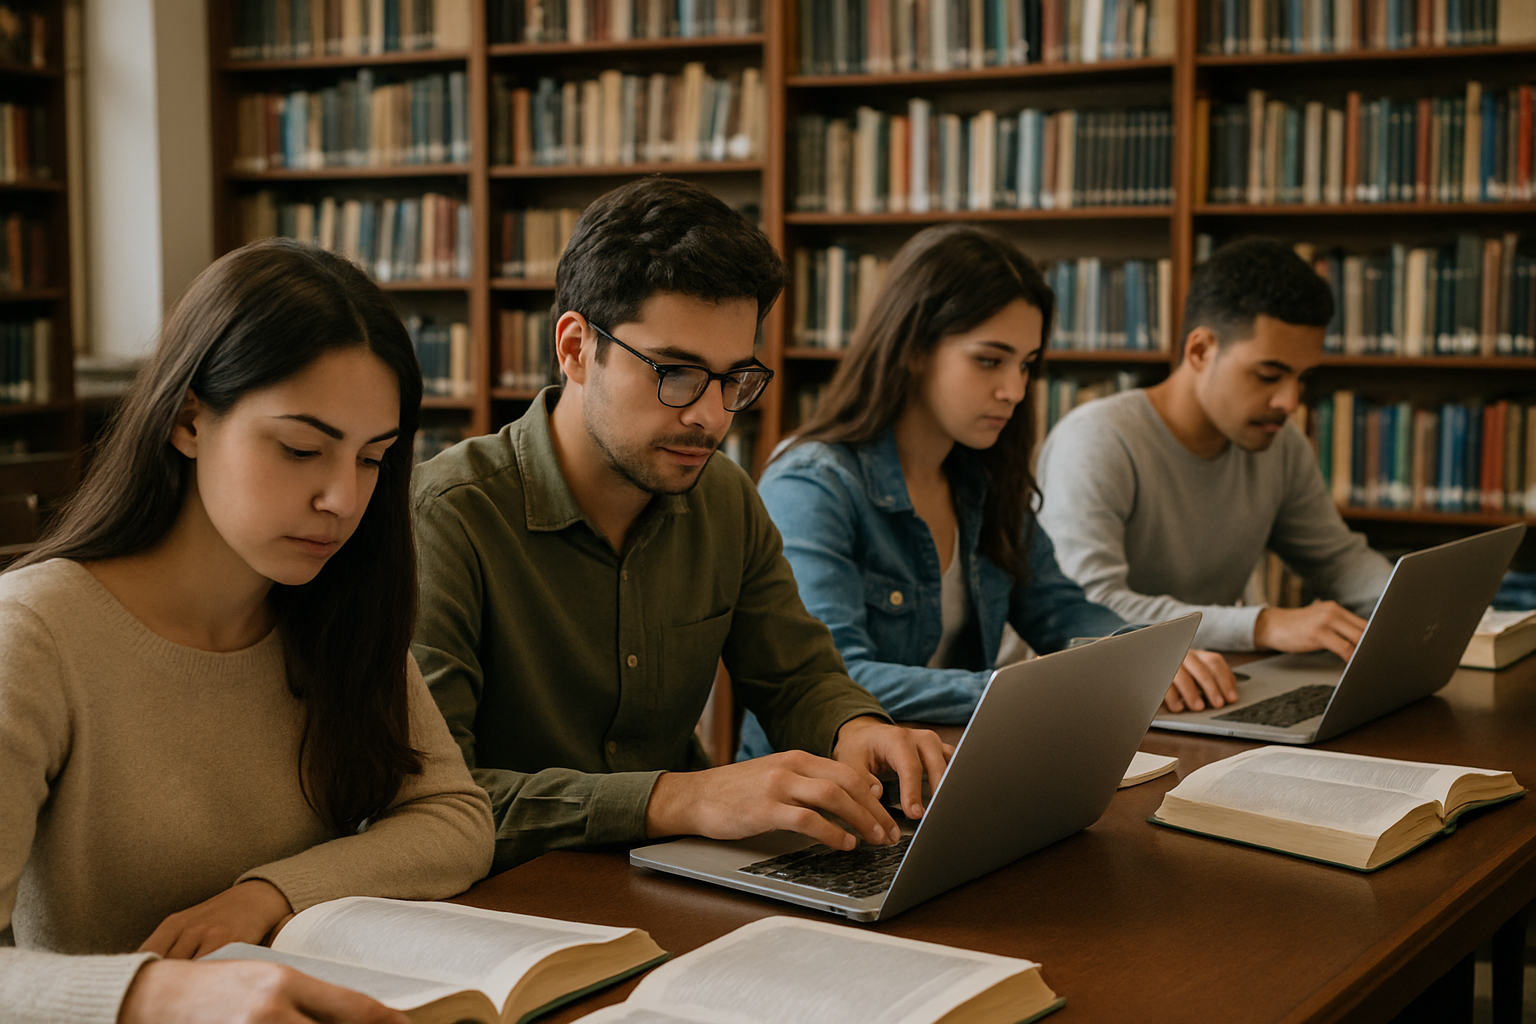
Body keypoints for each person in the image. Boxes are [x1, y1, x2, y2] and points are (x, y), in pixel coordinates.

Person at [0, 239, 495, 1024]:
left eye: (373, 460)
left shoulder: (336, 606)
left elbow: (455, 819)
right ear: (189, 419)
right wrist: (155, 992)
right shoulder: (33, 633)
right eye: (302, 449)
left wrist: (266, 895)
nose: (341, 497)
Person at [411, 176, 949, 873]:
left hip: (671, 877)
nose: (711, 416)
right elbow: (428, 802)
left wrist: (858, 728)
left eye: (735, 379)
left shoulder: (723, 495)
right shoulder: (446, 517)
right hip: (504, 902)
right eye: (675, 372)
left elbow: (796, 676)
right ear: (575, 349)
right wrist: (678, 799)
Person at [734, 224, 1235, 765]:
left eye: (1025, 365)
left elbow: (1060, 610)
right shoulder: (813, 483)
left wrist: (1148, 654)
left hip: (956, 769)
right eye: (989, 360)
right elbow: (835, 677)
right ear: (913, 349)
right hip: (826, 789)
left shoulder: (982, 477)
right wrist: (1014, 691)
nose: (1014, 391)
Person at [1036, 237, 1393, 683]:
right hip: (1093, 690)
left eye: (1303, 378)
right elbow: (1088, 610)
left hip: (1204, 685)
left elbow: (1338, 561)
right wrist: (1260, 625)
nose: (1289, 402)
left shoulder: (1280, 443)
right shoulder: (1095, 440)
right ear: (1200, 350)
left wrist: (1413, 608)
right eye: (1268, 375)